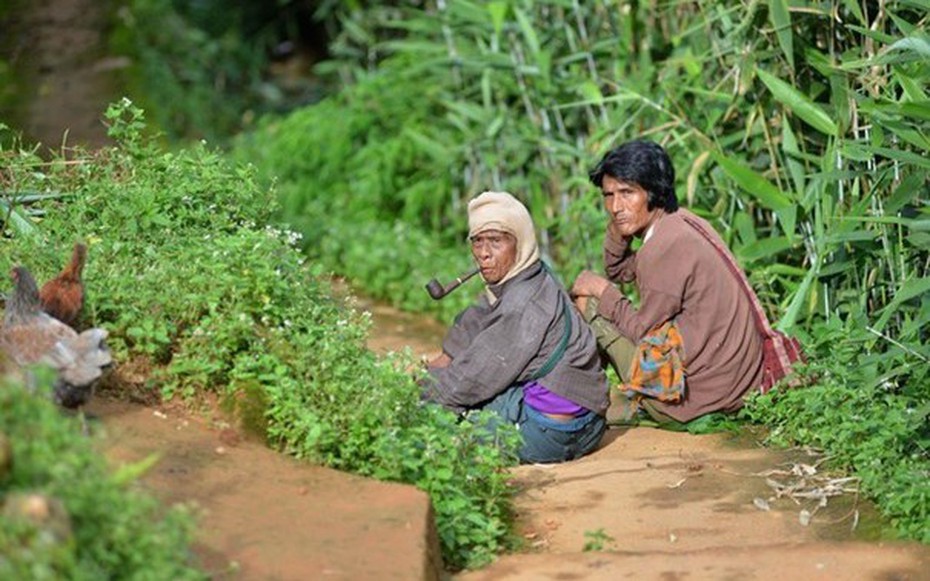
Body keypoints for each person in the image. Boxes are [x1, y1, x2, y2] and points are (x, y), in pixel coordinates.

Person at [570, 139, 765, 426]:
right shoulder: (679, 222)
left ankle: (597, 401)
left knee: (588, 303)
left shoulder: (663, 247)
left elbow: (641, 331)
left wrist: (600, 290)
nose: (615, 206)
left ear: (653, 191)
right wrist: (617, 231)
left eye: (627, 193)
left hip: (700, 397)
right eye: (608, 195)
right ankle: (606, 398)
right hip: (731, 383)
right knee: (600, 298)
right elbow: (622, 271)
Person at [421, 191, 609, 464]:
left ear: (520, 243)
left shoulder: (522, 304)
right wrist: (443, 361)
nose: (484, 254)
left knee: (446, 415)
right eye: (477, 242)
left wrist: (416, 390)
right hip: (590, 422)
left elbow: (467, 383)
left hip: (552, 434)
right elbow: (481, 313)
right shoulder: (535, 274)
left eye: (496, 241)